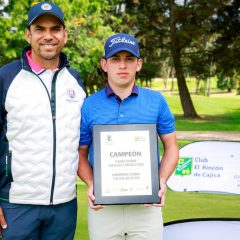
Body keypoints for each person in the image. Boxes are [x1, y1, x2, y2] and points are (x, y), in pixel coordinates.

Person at [78, 33, 179, 240]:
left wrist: (160, 180)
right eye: (115, 59)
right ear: (104, 64)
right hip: (103, 208)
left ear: (138, 64)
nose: (122, 66)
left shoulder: (156, 101)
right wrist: (91, 183)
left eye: (129, 59)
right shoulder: (89, 105)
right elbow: (80, 153)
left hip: (146, 207)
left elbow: (171, 147)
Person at [0, 2, 86, 239]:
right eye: (40, 29)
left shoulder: (75, 81)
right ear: (29, 34)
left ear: (64, 35)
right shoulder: (6, 78)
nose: (48, 36)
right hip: (16, 204)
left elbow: (81, 140)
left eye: (55, 29)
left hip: (64, 204)